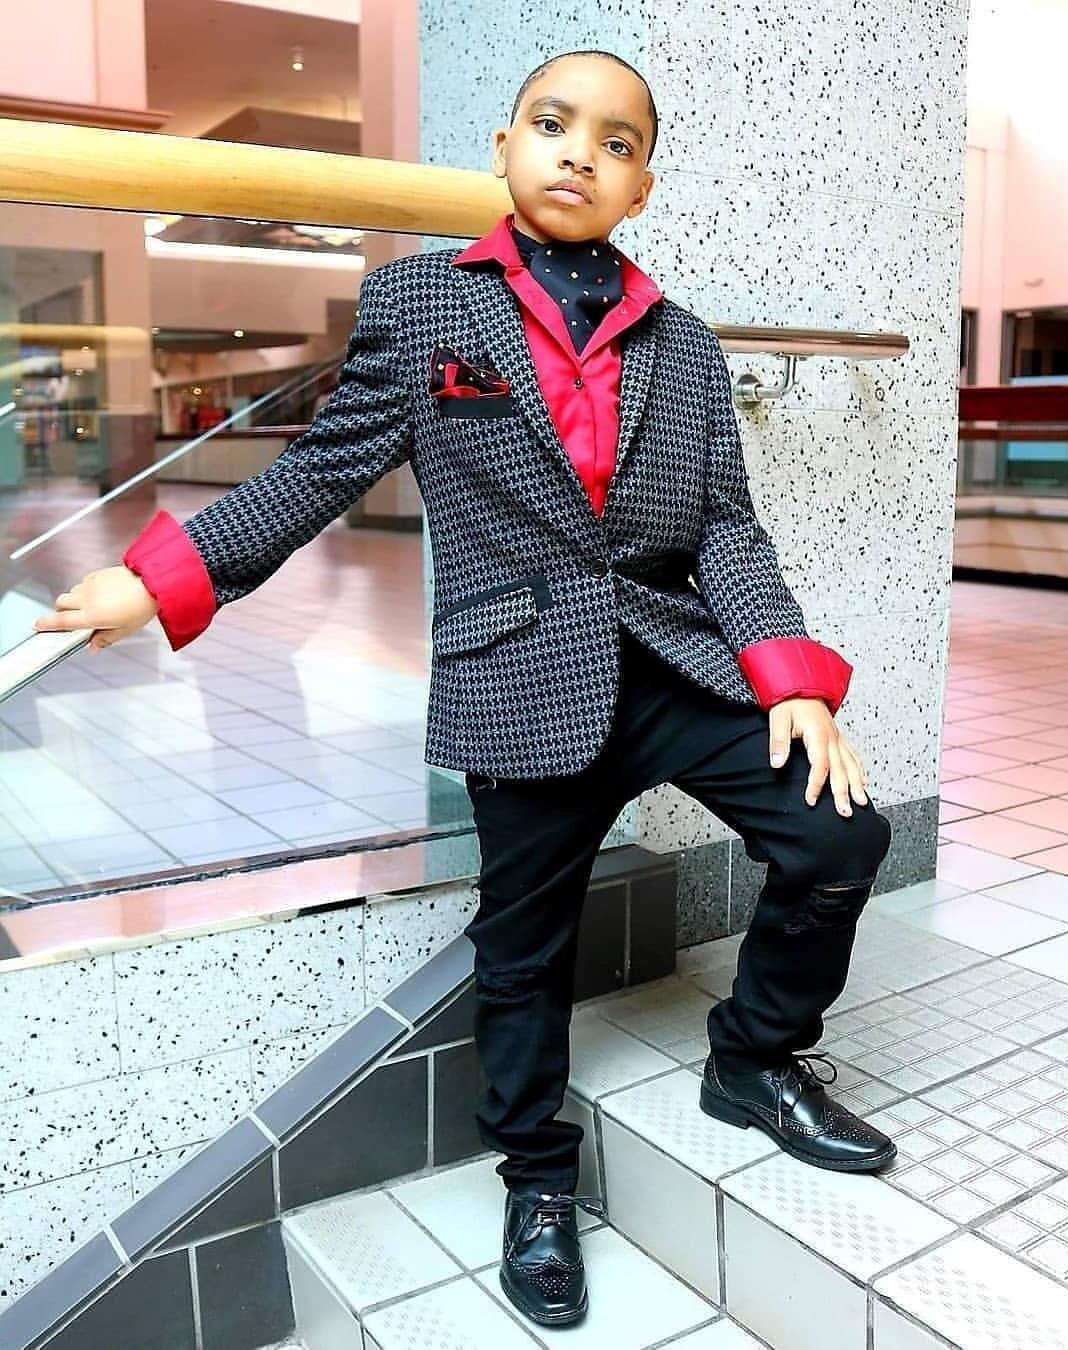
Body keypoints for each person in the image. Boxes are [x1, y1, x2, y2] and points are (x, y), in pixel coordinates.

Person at [34, 48, 895, 1330]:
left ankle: (755, 1060)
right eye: (553, 124)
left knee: (839, 836)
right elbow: (322, 471)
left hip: (670, 663)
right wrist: (158, 582)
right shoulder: (426, 302)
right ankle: (536, 1179)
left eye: (615, 142)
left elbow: (726, 529)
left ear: (641, 187)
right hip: (522, 678)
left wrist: (790, 681)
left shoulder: (687, 347)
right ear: (504, 148)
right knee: (522, 951)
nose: (579, 152)